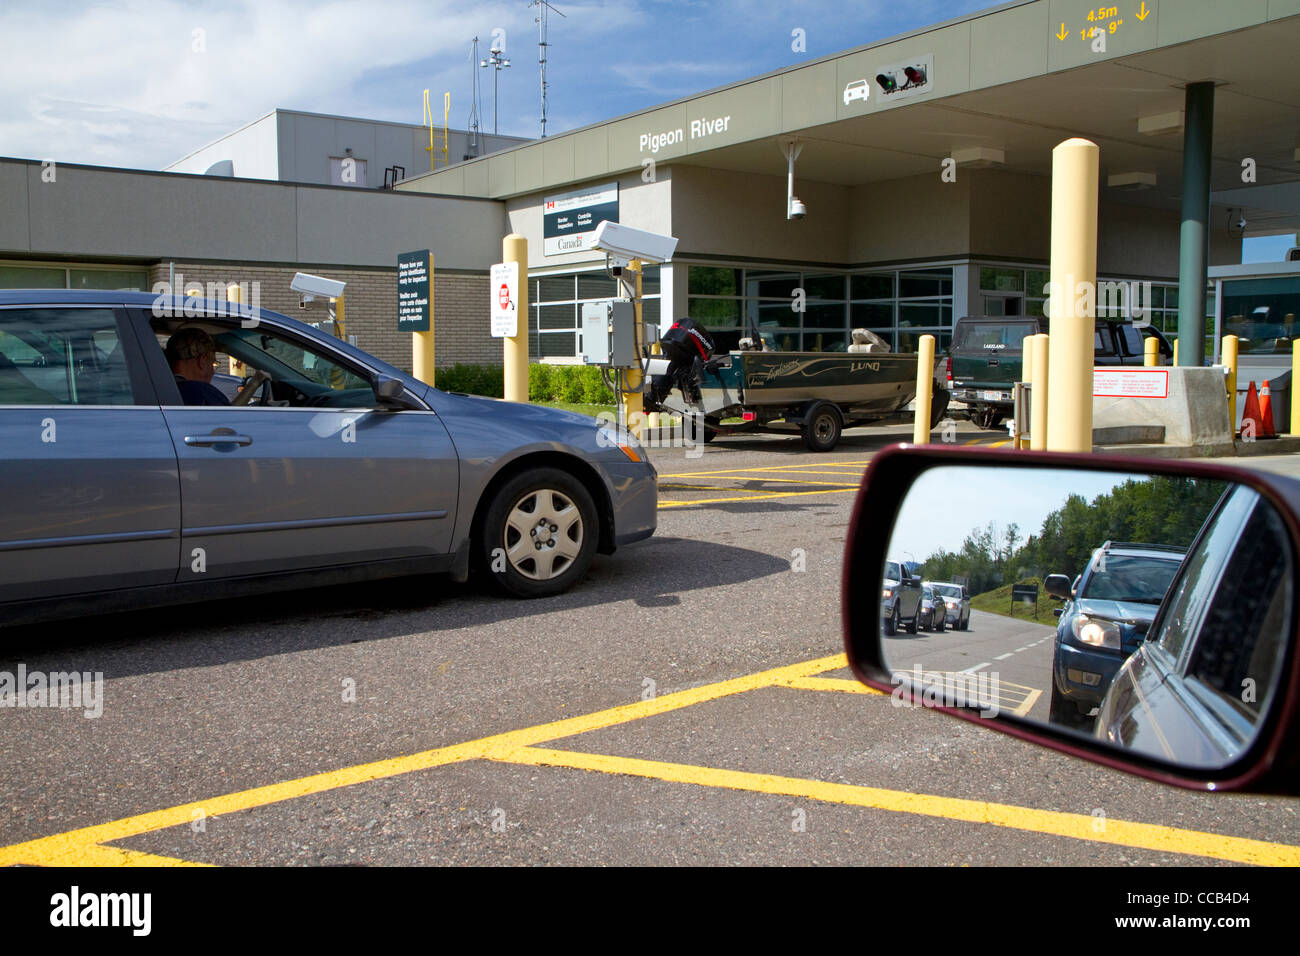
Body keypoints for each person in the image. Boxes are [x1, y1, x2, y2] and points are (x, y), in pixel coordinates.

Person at [165, 328, 230, 406]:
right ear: (202, 361)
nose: (213, 372)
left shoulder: (156, 390)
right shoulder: (203, 393)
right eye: (212, 364)